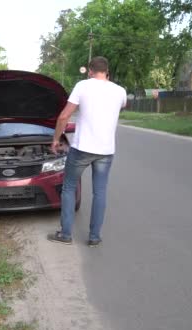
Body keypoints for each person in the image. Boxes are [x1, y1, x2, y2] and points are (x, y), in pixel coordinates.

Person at [48, 56, 126, 247]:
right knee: (100, 192)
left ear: (90, 71)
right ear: (107, 72)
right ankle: (94, 236)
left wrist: (56, 139)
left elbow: (64, 116)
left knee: (69, 188)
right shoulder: (120, 91)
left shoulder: (82, 86)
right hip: (106, 151)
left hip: (82, 149)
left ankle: (65, 234)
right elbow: (121, 107)